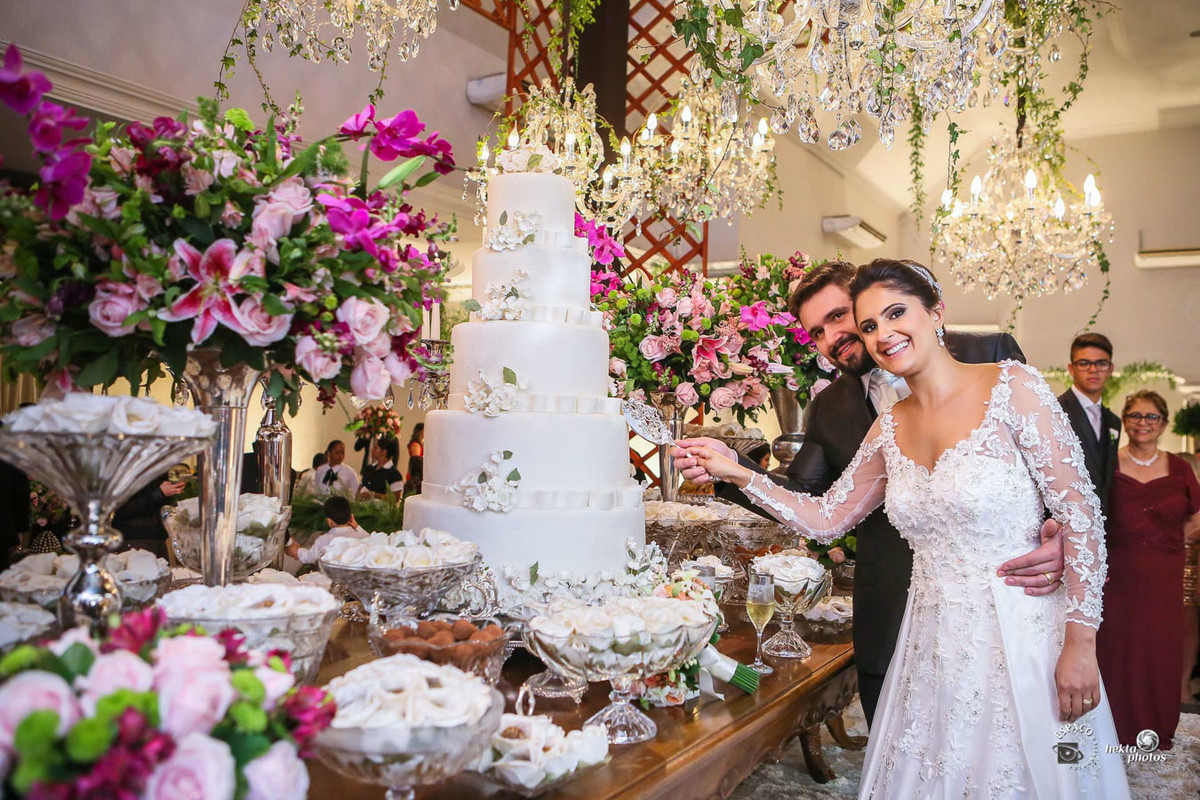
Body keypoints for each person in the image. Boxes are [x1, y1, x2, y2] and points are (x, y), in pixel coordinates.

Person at [677, 260, 1129, 796]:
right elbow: (826, 518)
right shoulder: (889, 425)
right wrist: (736, 471)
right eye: (869, 326)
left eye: (894, 314)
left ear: (936, 312)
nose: (881, 334)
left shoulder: (1012, 384)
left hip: (1021, 627)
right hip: (928, 639)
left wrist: (1080, 642)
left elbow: (1080, 513)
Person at [1096, 391, 1200, 750]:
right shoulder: (1109, 464)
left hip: (1163, 571)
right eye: (1136, 416)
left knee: (1158, 647)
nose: (1143, 423)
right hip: (1118, 574)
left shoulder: (1180, 467)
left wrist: (1172, 540)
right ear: (1125, 421)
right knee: (1117, 647)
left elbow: (1197, 514)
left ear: (1164, 424)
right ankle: (1115, 729)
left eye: (1151, 417)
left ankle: (1155, 727)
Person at [1059, 332, 1122, 515]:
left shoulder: (1114, 422)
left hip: (1104, 525)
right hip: (1065, 521)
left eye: (1101, 363)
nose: (1093, 370)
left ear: (1110, 368)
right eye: (1084, 363)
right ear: (1071, 369)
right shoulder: (1055, 411)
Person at [111, 474, 186, 557]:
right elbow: (120, 509)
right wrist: (159, 493)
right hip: (136, 538)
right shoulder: (127, 470)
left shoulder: (155, 468)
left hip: (159, 535)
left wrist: (170, 490)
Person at [287, 496, 367, 565]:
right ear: (351, 517)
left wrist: (295, 550)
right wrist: (357, 527)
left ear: (329, 521)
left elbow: (308, 557)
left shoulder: (325, 540)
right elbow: (371, 538)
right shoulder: (361, 536)